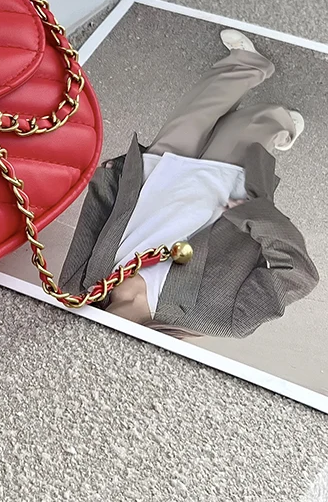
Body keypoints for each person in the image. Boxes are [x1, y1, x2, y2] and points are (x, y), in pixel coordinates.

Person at [59, 29, 319, 339]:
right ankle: (282, 124)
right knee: (254, 124)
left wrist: (109, 180)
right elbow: (297, 273)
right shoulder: (220, 321)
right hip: (223, 193)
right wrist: (255, 215)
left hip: (158, 181)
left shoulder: (79, 291)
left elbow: (90, 228)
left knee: (199, 109)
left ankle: (248, 63)